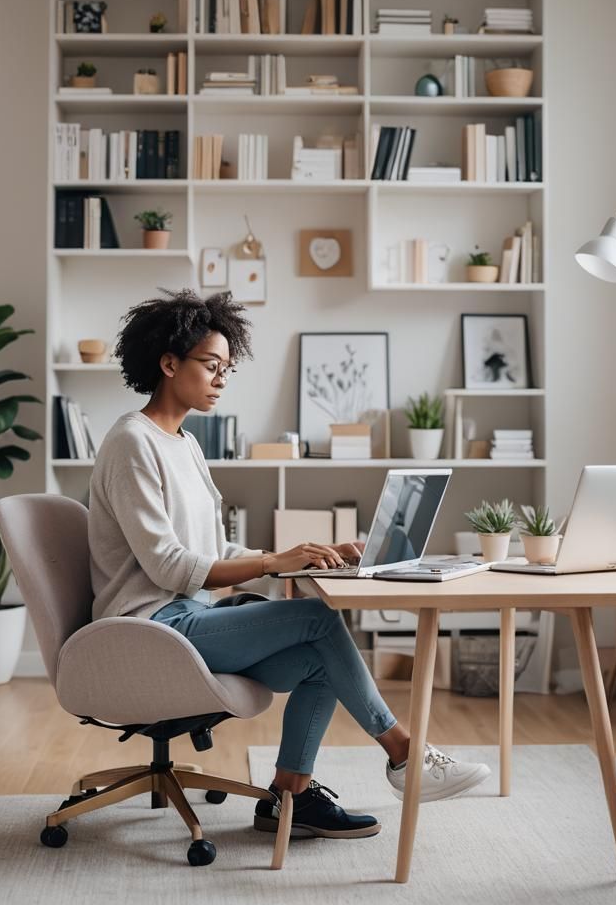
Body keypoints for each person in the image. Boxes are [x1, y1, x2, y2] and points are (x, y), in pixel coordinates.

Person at [88, 288, 491, 840]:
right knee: (319, 621)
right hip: (152, 628)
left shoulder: (183, 444)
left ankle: (288, 797)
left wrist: (307, 555)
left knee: (319, 657)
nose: (222, 378)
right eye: (211, 365)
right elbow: (167, 566)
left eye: (227, 368)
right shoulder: (132, 442)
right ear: (168, 363)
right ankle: (404, 754)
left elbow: (213, 551)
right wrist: (275, 560)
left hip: (188, 618)